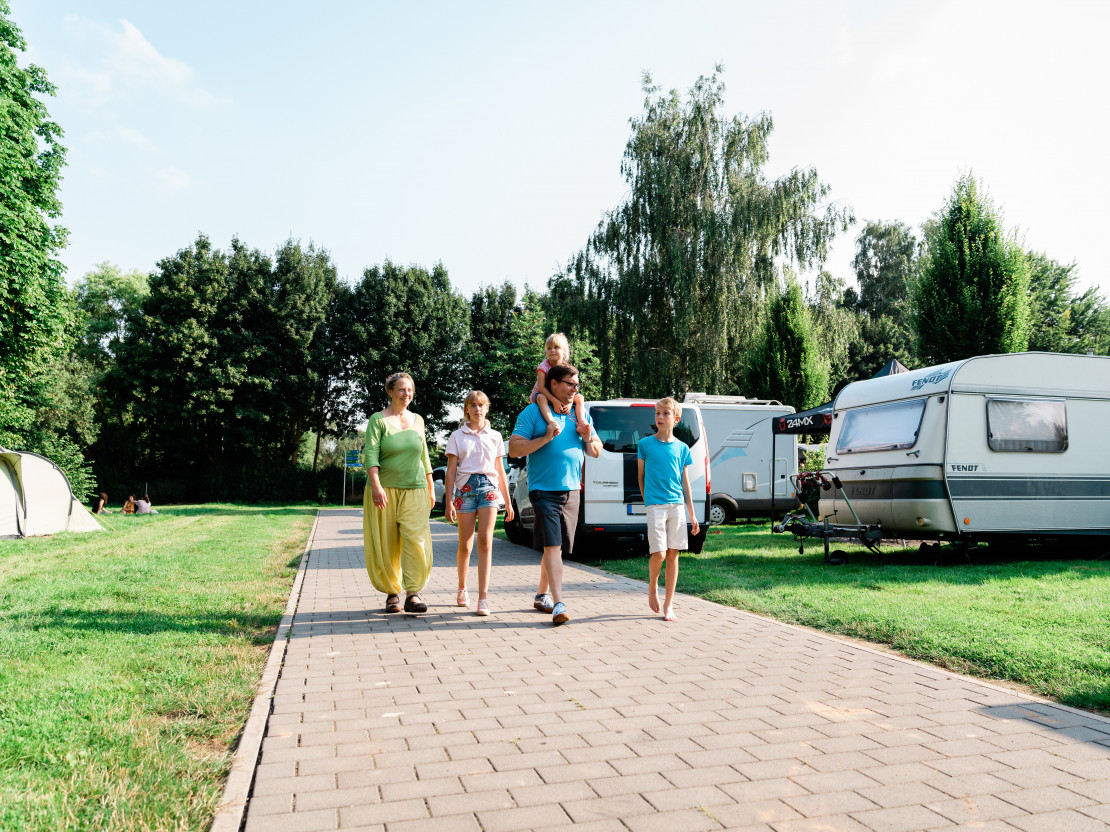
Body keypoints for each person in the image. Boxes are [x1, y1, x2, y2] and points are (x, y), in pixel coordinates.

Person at [508, 363, 601, 625]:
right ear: (554, 384)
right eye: (570, 384)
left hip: (572, 490)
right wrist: (545, 438)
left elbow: (596, 451)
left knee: (556, 548)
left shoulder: (578, 415)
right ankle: (558, 602)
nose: (575, 389)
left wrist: (587, 437)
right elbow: (514, 449)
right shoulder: (533, 413)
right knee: (553, 545)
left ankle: (541, 595)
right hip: (543, 490)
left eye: (577, 384)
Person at [364, 372, 435, 614]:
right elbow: (371, 456)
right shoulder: (378, 420)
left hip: (415, 489)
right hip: (384, 490)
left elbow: (424, 456)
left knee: (416, 541)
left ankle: (413, 594)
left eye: (410, 389)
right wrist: (375, 485)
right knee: (387, 543)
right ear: (391, 392)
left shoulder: (418, 420)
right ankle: (392, 593)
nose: (407, 394)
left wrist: (431, 486)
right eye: (402, 389)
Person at [443, 390, 514, 616]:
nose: (477, 409)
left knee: (485, 540)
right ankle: (463, 588)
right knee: (465, 544)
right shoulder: (457, 436)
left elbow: (500, 471)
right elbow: (451, 471)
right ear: (467, 409)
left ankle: (483, 598)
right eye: (472, 405)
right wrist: (449, 502)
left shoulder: (495, 436)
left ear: (487, 408)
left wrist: (509, 502)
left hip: (489, 489)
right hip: (465, 490)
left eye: (481, 405)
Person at [637, 397, 700, 622]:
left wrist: (691, 513)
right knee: (659, 553)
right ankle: (652, 585)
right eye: (657, 413)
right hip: (655, 505)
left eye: (665, 413)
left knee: (673, 554)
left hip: (677, 506)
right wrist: (648, 502)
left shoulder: (682, 448)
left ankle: (669, 604)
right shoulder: (645, 444)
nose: (660, 417)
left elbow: (685, 483)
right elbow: (641, 477)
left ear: (676, 419)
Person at [531, 333, 588, 436]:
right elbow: (541, 387)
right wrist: (554, 400)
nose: (552, 350)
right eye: (549, 348)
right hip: (544, 394)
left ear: (564, 351)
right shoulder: (543, 366)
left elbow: (573, 386)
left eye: (556, 347)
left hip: (561, 395)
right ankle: (552, 423)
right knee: (540, 398)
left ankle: (582, 423)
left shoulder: (566, 367)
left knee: (580, 397)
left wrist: (570, 403)